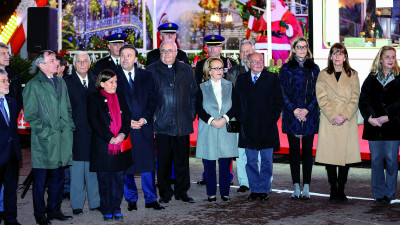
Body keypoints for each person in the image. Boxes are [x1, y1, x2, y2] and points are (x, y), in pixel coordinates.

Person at [23, 50, 75, 225]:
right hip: (44, 142)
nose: (56, 63)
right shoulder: (33, 85)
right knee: (40, 181)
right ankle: (40, 215)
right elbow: (30, 116)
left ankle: (54, 210)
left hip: (62, 140)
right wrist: (45, 133)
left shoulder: (61, 81)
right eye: (52, 60)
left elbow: (68, 109)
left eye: (55, 60)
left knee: (58, 179)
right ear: (41, 65)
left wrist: (69, 127)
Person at [147, 40, 197, 204]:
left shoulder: (186, 69)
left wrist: (190, 114)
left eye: (170, 51)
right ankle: (165, 193)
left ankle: (182, 192)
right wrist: (153, 118)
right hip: (162, 124)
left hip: (182, 122)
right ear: (160, 53)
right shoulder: (151, 71)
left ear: (176, 52)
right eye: (164, 51)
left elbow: (193, 94)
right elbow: (147, 98)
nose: (167, 54)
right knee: (163, 162)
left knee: (182, 160)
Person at [115, 44, 164, 211]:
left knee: (148, 164)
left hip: (144, 127)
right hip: (124, 129)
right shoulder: (113, 77)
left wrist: (144, 119)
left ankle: (151, 198)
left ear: (136, 59)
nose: (125, 58)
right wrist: (125, 122)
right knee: (127, 165)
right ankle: (131, 199)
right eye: (122, 55)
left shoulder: (146, 75)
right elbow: (111, 104)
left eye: (129, 55)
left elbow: (153, 100)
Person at [315, 43, 361, 203]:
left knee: (345, 158)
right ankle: (333, 188)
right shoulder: (323, 75)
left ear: (345, 57)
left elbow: (356, 97)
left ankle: (341, 188)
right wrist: (333, 115)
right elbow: (321, 97)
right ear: (330, 56)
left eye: (340, 53)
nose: (337, 56)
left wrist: (344, 115)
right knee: (330, 157)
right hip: (330, 120)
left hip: (346, 119)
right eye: (334, 53)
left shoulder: (353, 75)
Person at [235, 52, 284, 201]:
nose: (258, 63)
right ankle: (255, 189)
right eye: (254, 61)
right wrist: (242, 120)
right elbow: (236, 102)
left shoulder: (272, 78)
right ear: (248, 64)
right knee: (250, 161)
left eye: (260, 60)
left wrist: (271, 119)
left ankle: (264, 189)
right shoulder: (241, 80)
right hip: (248, 128)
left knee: (267, 161)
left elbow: (278, 102)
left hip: (267, 127)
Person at [87, 69, 132, 221]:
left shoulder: (121, 96)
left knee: (118, 180)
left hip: (119, 145)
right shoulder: (94, 98)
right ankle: (106, 208)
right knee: (104, 180)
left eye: (116, 81)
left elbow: (127, 117)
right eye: (111, 82)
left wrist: (122, 134)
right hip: (103, 146)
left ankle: (117, 208)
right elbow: (94, 121)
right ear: (102, 83)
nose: (115, 85)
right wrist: (109, 137)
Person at [279, 37, 320, 199]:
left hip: (309, 116)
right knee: (294, 152)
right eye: (299, 47)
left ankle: (307, 187)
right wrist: (295, 110)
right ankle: (296, 186)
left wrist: (307, 110)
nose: (302, 49)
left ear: (307, 49)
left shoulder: (314, 68)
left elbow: (319, 92)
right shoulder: (286, 68)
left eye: (304, 47)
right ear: (294, 49)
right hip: (292, 115)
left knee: (308, 152)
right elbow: (282, 91)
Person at [359, 46, 400, 204]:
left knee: (391, 160)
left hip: (393, 126)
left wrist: (388, 115)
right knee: (376, 160)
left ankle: (389, 194)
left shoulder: (398, 77)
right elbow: (363, 100)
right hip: (374, 126)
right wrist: (370, 118)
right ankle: (378, 194)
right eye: (387, 57)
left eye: (393, 57)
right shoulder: (371, 78)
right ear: (380, 59)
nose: (391, 60)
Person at [196, 57, 238, 202]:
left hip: (225, 127)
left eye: (221, 68)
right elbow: (199, 108)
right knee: (209, 162)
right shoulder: (202, 87)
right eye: (216, 68)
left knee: (225, 163)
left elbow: (236, 106)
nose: (220, 71)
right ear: (209, 70)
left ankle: (225, 193)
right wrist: (212, 121)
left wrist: (224, 119)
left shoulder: (230, 85)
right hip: (208, 127)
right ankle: (211, 194)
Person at [64, 52, 100, 215]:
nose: (82, 63)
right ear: (74, 64)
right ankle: (77, 204)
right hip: (75, 134)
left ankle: (95, 202)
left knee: (93, 171)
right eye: (79, 61)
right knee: (77, 172)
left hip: (94, 133)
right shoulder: (67, 82)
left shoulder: (97, 82)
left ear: (90, 63)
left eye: (85, 60)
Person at [226, 40, 254, 193]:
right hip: (238, 118)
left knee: (258, 153)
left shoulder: (262, 70)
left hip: (257, 120)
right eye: (243, 51)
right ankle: (243, 182)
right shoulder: (232, 73)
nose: (246, 54)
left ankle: (262, 181)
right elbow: (229, 96)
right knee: (241, 152)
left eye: (248, 51)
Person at [0, 69, 22, 225]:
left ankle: (11, 219)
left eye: (7, 80)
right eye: (3, 81)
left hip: (12, 154)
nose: (8, 83)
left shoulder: (12, 102)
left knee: (10, 189)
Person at [0, 42, 23, 114]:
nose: (8, 56)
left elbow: (19, 99)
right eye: (3, 54)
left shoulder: (14, 75)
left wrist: (11, 114)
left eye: (8, 53)